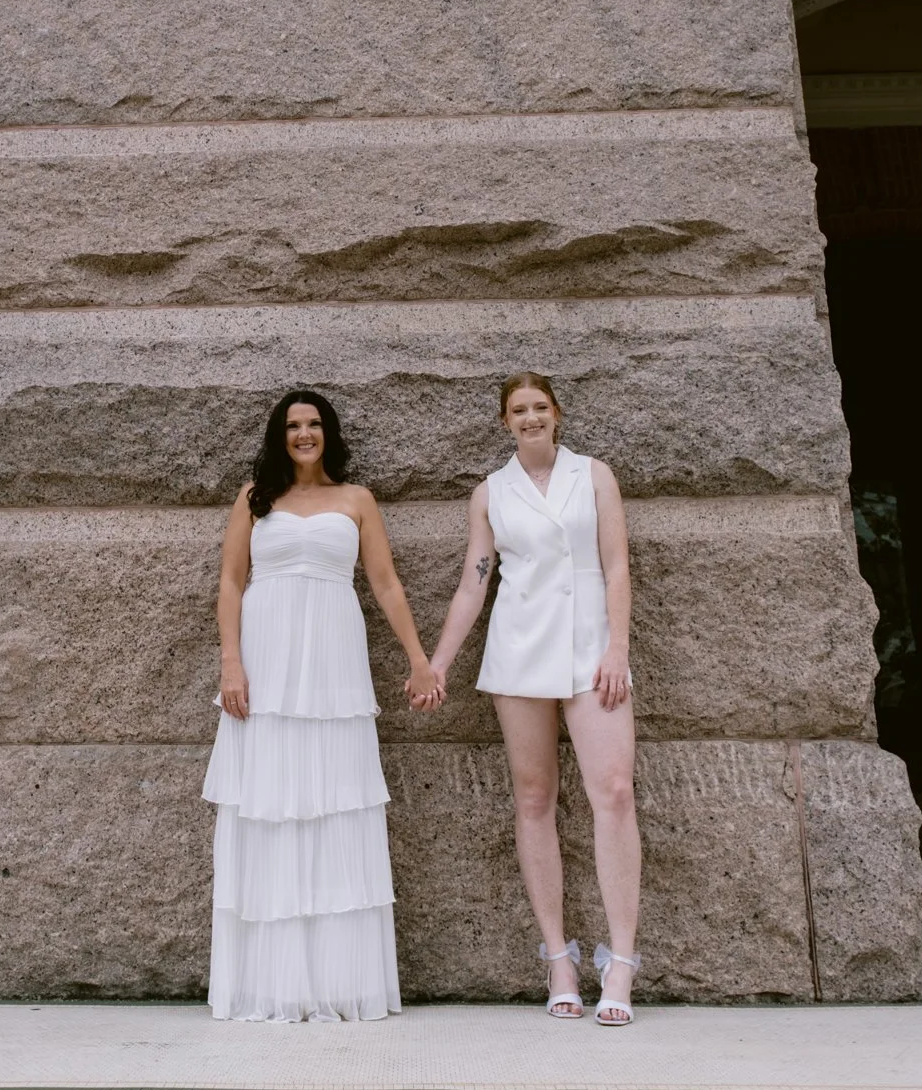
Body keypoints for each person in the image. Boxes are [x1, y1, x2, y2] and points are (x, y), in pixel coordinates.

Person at [204, 389, 440, 1021]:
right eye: (292, 425)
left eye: (313, 425)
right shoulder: (255, 498)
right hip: (269, 666)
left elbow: (385, 583)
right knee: (272, 805)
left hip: (333, 665)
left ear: (329, 434)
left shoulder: (357, 500)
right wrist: (231, 660)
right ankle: (272, 984)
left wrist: (419, 659)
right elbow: (230, 581)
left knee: (334, 802)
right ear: (278, 436)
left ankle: (339, 982)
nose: (303, 434)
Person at [419, 371, 642, 1025]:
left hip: (592, 651)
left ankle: (621, 963)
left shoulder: (593, 476)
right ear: (504, 421)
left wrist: (618, 648)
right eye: (517, 410)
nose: (529, 418)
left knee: (615, 790)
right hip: (518, 652)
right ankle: (558, 960)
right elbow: (473, 584)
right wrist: (436, 664)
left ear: (557, 413)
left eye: (539, 407)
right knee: (532, 798)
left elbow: (617, 565)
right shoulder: (490, 494)